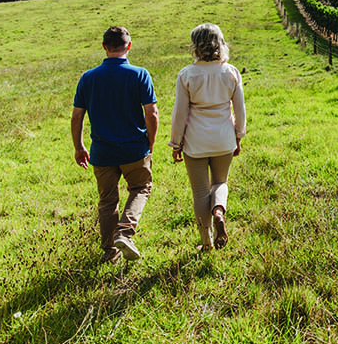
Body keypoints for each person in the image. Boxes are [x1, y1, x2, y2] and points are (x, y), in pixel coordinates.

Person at [71, 26, 159, 263]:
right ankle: (125, 231)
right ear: (128, 46)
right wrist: (150, 141)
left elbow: (77, 116)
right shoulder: (139, 74)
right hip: (134, 149)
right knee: (140, 188)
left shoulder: (88, 78)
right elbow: (152, 113)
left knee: (108, 201)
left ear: (104, 47)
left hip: (102, 152)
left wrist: (79, 147)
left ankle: (111, 253)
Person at [169, 23, 246, 252]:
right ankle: (219, 210)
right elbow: (240, 110)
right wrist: (239, 136)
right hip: (224, 138)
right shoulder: (231, 72)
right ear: (220, 44)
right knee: (220, 182)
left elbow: (180, 113)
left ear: (195, 46)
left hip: (195, 141)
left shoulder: (187, 75)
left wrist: (176, 143)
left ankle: (207, 242)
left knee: (200, 192)